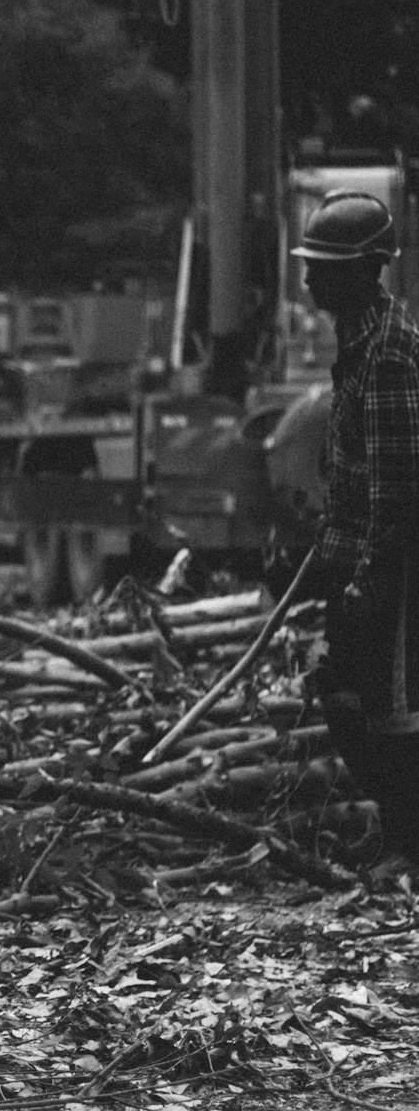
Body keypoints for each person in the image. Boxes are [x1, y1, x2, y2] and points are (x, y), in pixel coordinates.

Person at [296, 188, 419, 873]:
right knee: (341, 695)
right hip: (349, 555)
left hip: (391, 564)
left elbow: (397, 486)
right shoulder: (356, 343)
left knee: (387, 711)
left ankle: (408, 844)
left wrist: (370, 576)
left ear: (361, 272)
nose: (310, 279)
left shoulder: (392, 353)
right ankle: (399, 833)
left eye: (322, 267)